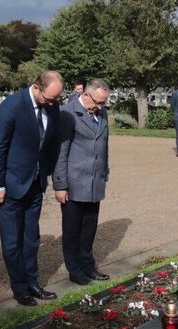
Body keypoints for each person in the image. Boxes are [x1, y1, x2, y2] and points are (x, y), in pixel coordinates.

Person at [0, 71, 64, 306]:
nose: (53, 103)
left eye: (56, 99)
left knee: (31, 238)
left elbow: (51, 142)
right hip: (11, 185)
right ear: (36, 87)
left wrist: (47, 172)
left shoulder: (51, 107)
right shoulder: (12, 106)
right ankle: (19, 287)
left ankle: (33, 282)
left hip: (36, 183)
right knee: (12, 241)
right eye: (49, 98)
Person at [52, 79, 111, 286]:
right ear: (86, 95)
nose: (101, 106)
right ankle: (74, 269)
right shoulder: (68, 114)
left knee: (89, 228)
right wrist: (60, 184)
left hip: (95, 181)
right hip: (74, 182)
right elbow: (61, 151)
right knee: (72, 230)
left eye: (104, 103)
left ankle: (88, 265)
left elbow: (104, 145)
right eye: (98, 102)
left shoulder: (102, 113)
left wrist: (105, 171)